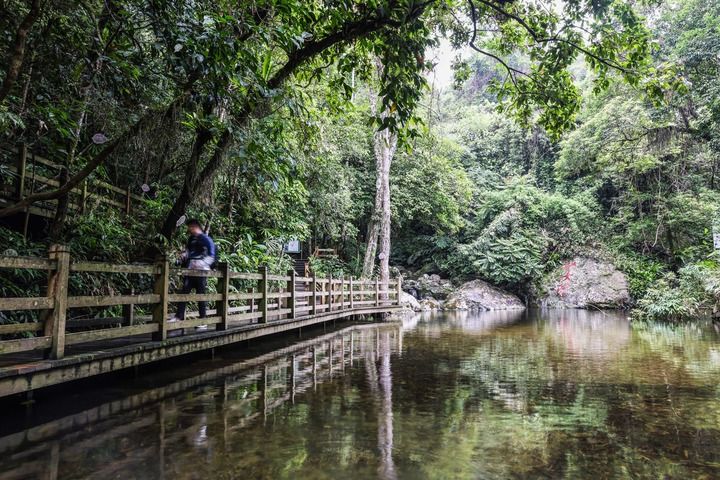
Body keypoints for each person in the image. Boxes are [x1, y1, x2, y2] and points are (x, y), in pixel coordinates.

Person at [171, 219, 216, 330]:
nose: (189, 229)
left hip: (201, 271)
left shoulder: (206, 239)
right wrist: (182, 257)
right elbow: (188, 252)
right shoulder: (191, 239)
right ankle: (179, 317)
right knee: (184, 293)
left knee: (200, 295)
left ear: (196, 227)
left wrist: (201, 263)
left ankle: (203, 320)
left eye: (190, 227)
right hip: (190, 270)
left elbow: (211, 256)